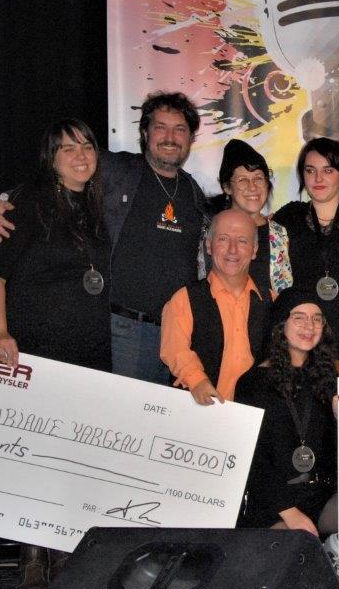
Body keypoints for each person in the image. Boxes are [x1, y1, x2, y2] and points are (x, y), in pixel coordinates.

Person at [0, 92, 207, 385]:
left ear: (190, 138)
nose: (170, 137)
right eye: (160, 127)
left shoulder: (194, 192)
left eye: (180, 129)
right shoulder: (117, 169)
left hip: (175, 335)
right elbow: (51, 178)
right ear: (145, 133)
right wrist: (3, 200)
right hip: (122, 331)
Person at [0, 119, 110, 589]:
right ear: (51, 158)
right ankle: (31, 559)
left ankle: (65, 550)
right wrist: (1, 331)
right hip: (37, 346)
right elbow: (1, 273)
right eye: (68, 149)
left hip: (88, 347)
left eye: (86, 146)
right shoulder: (28, 202)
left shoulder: (96, 205)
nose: (80, 155)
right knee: (34, 452)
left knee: (74, 453)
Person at [234, 288, 339, 589]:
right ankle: (320, 551)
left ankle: (334, 547)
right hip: (274, 500)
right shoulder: (252, 383)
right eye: (299, 317)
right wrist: (290, 513)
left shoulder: (332, 378)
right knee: (293, 556)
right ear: (280, 325)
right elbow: (251, 460)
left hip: (320, 496)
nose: (309, 326)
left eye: (317, 319)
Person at [160, 209, 270, 404]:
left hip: (254, 414)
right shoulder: (184, 299)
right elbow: (175, 350)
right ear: (209, 245)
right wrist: (197, 380)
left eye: (242, 241)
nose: (232, 250)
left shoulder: (272, 301)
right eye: (223, 239)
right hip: (198, 410)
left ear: (254, 250)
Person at [273, 138, 339, 369]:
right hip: (302, 340)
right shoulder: (288, 216)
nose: (318, 178)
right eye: (310, 170)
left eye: (328, 170)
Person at [201, 139, 292, 296]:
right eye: (242, 180)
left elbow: (285, 292)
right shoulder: (210, 229)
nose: (252, 187)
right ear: (227, 187)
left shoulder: (279, 234)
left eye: (258, 178)